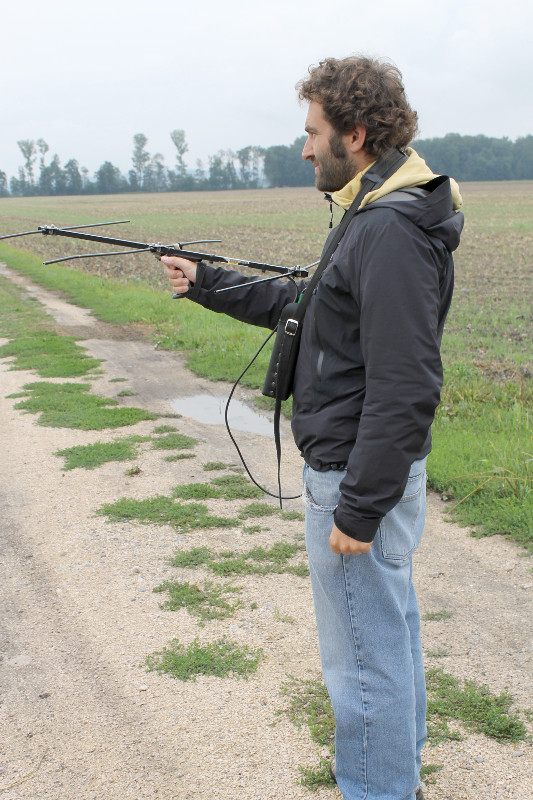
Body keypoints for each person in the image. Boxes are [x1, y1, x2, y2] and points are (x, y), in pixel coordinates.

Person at [161, 55, 464, 800]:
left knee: (363, 657)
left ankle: (379, 788)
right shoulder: (373, 211)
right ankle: (394, 775)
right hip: (364, 470)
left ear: (353, 135)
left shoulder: (387, 229)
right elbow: (310, 306)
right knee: (385, 634)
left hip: (357, 475)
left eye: (312, 132)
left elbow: (406, 384)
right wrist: (208, 282)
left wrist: (358, 508)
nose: (304, 149)